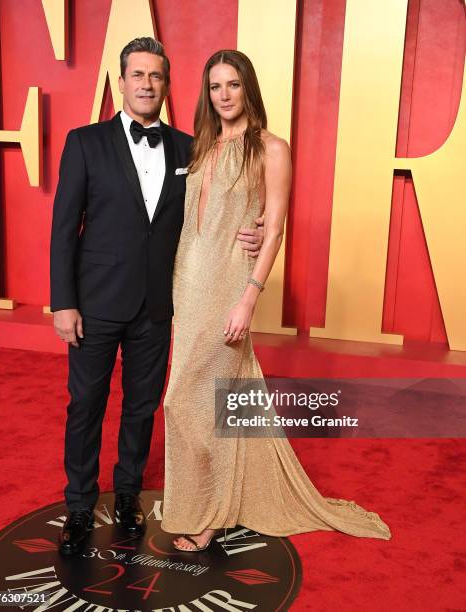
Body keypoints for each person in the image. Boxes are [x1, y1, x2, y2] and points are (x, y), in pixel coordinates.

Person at [161, 49, 391, 551]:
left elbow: (275, 229)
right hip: (187, 283)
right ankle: (202, 500)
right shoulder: (200, 147)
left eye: (233, 85)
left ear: (249, 89)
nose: (224, 95)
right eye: (216, 86)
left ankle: (209, 514)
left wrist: (249, 298)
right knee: (207, 398)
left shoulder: (271, 147)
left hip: (227, 285)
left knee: (191, 399)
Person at [49, 38, 263, 556]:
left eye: (156, 76)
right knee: (86, 406)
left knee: (142, 408)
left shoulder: (193, 148)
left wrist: (253, 232)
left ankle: (127, 495)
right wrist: (63, 301)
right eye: (137, 75)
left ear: (167, 84)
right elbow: (63, 228)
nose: (146, 84)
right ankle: (79, 506)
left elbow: (219, 209)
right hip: (95, 302)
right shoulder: (84, 142)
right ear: (121, 82)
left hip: (159, 305)